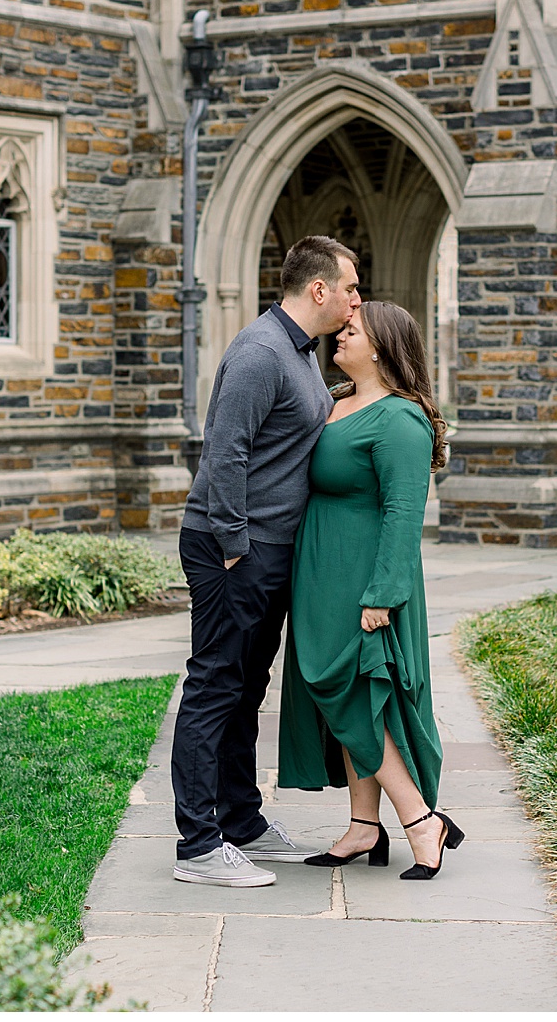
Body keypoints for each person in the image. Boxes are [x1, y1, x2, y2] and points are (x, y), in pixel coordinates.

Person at [171, 235, 362, 887]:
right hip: (234, 548)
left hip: (270, 548)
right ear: (319, 290)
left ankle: (241, 820)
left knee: (247, 691)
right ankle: (198, 844)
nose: (356, 299)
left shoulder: (300, 352)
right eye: (350, 288)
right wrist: (231, 545)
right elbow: (224, 450)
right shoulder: (259, 351)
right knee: (215, 688)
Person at [278, 300, 463, 880]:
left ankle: (420, 819)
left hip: (364, 579)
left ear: (381, 346)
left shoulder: (399, 420)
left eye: (351, 331)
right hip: (321, 574)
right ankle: (363, 826)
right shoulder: (338, 403)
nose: (340, 335)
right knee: (343, 694)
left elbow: (405, 515)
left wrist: (382, 595)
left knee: (356, 693)